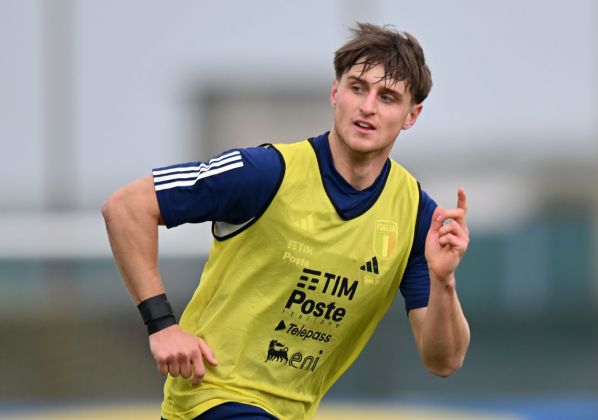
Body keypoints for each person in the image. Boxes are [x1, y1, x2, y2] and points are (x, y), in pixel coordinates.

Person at [103, 22, 470, 420]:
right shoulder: (265, 172)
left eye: (387, 97)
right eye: (357, 88)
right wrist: (162, 326)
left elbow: (443, 361)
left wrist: (443, 281)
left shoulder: (415, 215)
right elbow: (127, 207)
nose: (367, 107)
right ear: (335, 92)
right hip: (211, 400)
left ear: (411, 115)